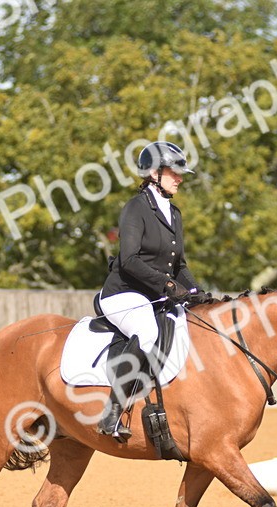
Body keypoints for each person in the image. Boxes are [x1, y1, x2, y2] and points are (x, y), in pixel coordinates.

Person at [96, 141, 200, 439]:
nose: (180, 178)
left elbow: (179, 264)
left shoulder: (174, 213)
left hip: (155, 296)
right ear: (154, 173)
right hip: (124, 294)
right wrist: (167, 285)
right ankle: (112, 412)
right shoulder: (136, 208)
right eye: (174, 172)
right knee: (148, 331)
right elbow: (129, 260)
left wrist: (198, 293)